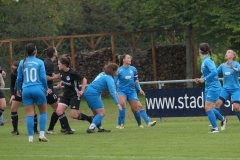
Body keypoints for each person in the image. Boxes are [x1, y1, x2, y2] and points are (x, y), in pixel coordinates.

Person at [17, 43, 51, 142]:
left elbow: (19, 78)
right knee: (43, 112)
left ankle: (30, 138)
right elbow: (43, 78)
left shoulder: (22, 62)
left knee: (30, 114)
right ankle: (41, 135)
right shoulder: (40, 62)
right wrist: (46, 88)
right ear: (35, 51)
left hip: (26, 90)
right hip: (38, 89)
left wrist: (18, 89)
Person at [115, 54, 156, 129]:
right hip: (122, 91)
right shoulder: (119, 70)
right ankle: (122, 124)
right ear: (123, 60)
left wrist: (140, 89)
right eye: (128, 58)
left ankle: (142, 124)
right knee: (122, 104)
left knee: (135, 108)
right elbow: (115, 81)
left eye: (130, 58)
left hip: (131, 91)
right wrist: (116, 89)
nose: (130, 59)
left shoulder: (133, 69)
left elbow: (136, 80)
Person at [56, 55, 93, 134]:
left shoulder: (73, 72)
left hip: (74, 95)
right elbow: (63, 78)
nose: (58, 65)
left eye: (59, 64)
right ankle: (68, 130)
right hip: (66, 95)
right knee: (59, 111)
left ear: (64, 64)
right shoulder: (61, 71)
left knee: (74, 115)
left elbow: (84, 80)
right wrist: (60, 83)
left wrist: (82, 90)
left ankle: (89, 118)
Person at [194, 43, 226, 133]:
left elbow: (214, 72)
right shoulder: (205, 60)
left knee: (207, 108)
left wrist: (204, 79)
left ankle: (215, 129)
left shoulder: (207, 61)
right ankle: (223, 119)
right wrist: (201, 78)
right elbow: (208, 73)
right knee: (209, 108)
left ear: (200, 51)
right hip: (208, 87)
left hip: (214, 87)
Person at [84, 63, 122, 133]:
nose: (118, 72)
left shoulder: (102, 74)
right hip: (93, 94)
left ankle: (100, 128)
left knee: (96, 113)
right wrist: (118, 103)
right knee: (102, 113)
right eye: (117, 70)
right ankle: (91, 128)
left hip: (88, 92)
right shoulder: (109, 78)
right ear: (113, 71)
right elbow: (113, 93)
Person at [42, 46, 67, 134]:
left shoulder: (47, 62)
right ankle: (52, 129)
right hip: (48, 89)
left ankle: (62, 128)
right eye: (56, 50)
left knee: (58, 107)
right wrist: (56, 76)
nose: (57, 51)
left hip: (48, 88)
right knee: (58, 108)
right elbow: (46, 77)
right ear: (54, 53)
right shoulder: (49, 63)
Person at [10, 61, 39, 135]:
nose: (13, 68)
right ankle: (15, 130)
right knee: (13, 109)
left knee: (32, 110)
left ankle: (35, 130)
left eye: (15, 66)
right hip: (18, 92)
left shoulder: (26, 72)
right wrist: (12, 94)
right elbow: (12, 85)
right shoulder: (14, 74)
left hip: (27, 91)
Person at [214, 50, 240, 127]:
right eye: (226, 52)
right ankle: (220, 120)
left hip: (236, 89)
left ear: (232, 56)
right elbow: (214, 72)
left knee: (236, 108)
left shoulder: (236, 64)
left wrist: (234, 69)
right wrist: (204, 76)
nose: (226, 53)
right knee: (217, 104)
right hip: (225, 89)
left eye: (229, 52)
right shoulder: (223, 65)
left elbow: (239, 70)